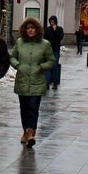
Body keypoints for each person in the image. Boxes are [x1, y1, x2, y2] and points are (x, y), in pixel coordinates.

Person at [10, 17, 55, 147]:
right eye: (28, 28)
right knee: (24, 108)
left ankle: (31, 132)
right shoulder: (19, 42)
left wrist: (41, 67)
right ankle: (25, 130)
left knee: (33, 107)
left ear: (37, 30)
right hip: (22, 81)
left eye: (33, 28)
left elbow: (51, 61)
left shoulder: (45, 44)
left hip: (37, 81)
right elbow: (12, 57)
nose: (30, 30)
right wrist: (18, 65)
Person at [44, 16, 65, 89]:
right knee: (48, 67)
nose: (52, 22)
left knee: (55, 67)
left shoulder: (59, 29)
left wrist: (55, 30)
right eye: (50, 21)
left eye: (53, 21)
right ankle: (47, 83)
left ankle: (55, 83)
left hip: (56, 50)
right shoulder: (47, 29)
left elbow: (60, 37)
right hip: (48, 51)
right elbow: (44, 38)